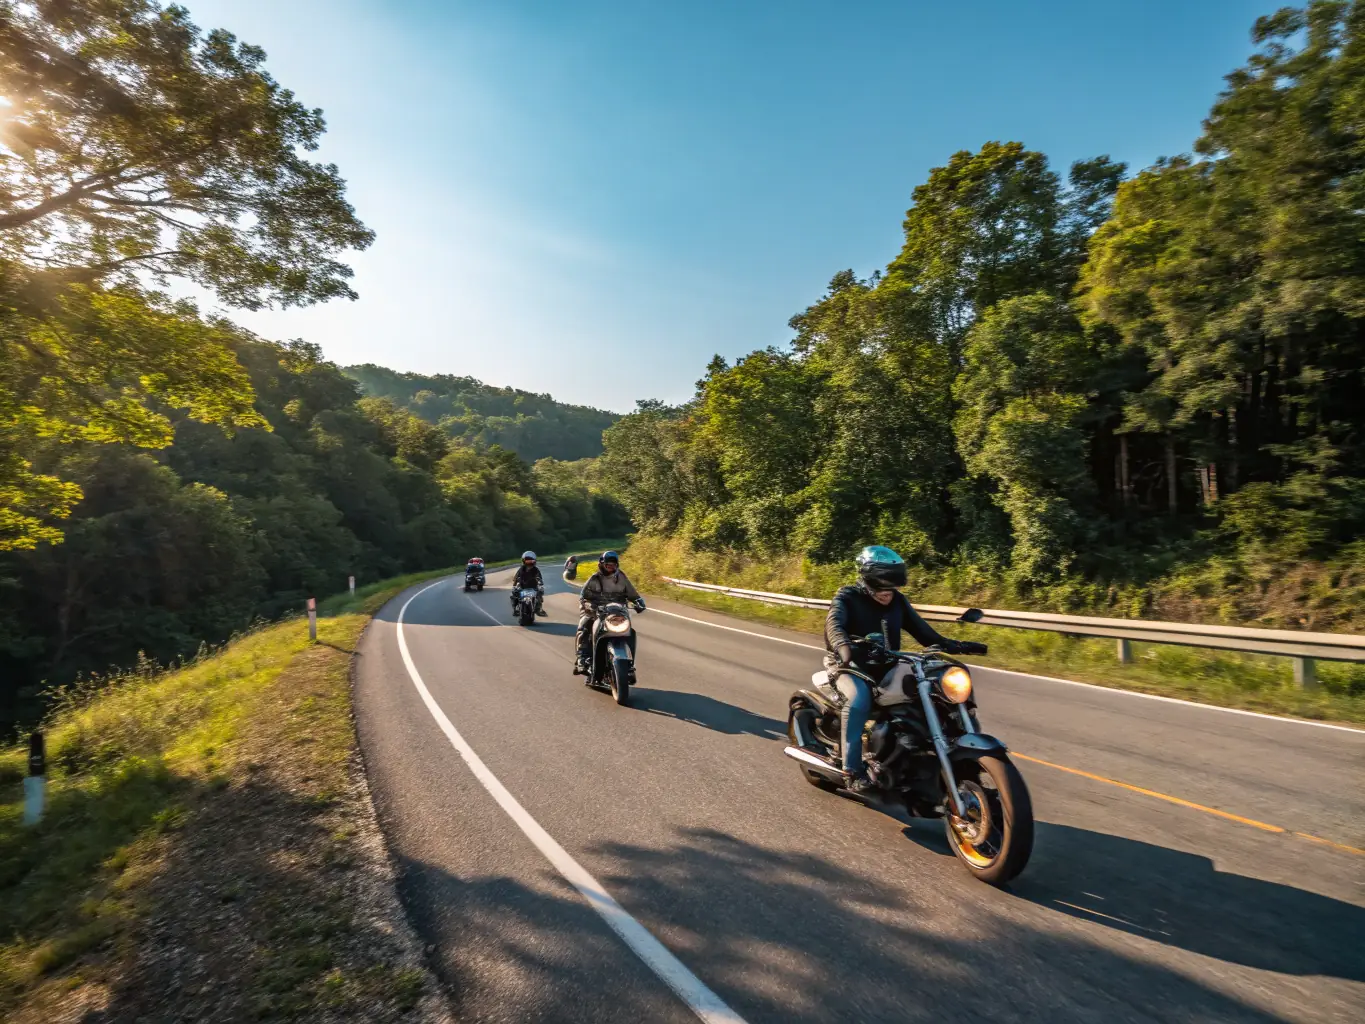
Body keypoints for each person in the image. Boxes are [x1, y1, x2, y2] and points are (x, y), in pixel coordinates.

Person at [825, 545, 987, 794]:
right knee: (858, 701)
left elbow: (925, 634)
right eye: (881, 588)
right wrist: (843, 647)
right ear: (867, 580)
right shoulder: (847, 596)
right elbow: (834, 625)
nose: (887, 594)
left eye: (892, 588)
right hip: (852, 666)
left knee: (933, 691)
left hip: (889, 664)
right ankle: (852, 770)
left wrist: (959, 645)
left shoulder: (898, 601)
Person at [575, 550, 645, 673]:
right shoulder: (594, 578)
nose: (611, 567)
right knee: (584, 625)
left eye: (613, 565)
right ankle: (582, 658)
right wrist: (590, 606)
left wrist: (639, 601)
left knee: (630, 631)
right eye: (608, 565)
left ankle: (629, 665)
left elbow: (632, 594)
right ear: (601, 564)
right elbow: (583, 597)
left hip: (617, 612)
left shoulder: (621, 577)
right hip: (596, 612)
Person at [510, 551, 547, 616]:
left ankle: (538, 609)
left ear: (534, 561)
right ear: (523, 561)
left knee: (540, 592)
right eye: (527, 561)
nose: (529, 563)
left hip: (533, 587)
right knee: (514, 593)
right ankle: (515, 609)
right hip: (522, 587)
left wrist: (540, 582)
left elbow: (539, 577)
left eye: (531, 561)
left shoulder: (536, 569)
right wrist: (514, 584)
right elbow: (516, 577)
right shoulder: (521, 569)